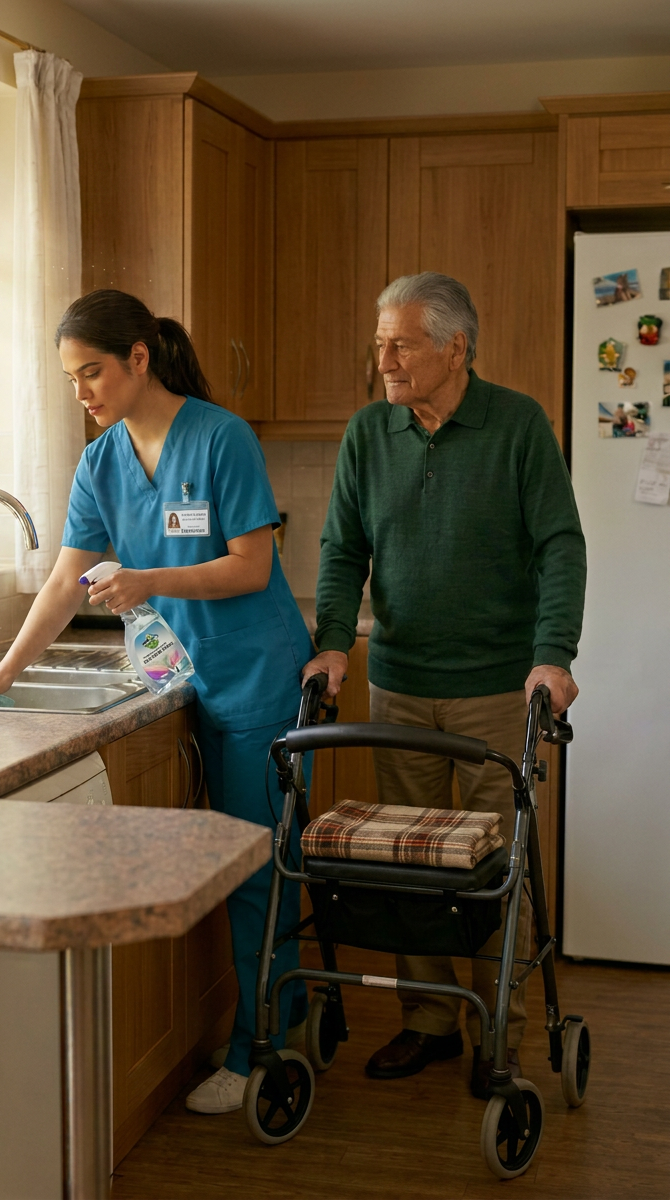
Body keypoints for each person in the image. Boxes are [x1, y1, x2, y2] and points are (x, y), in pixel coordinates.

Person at [0, 289, 313, 1115]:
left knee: (256, 867)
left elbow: (251, 567)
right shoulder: (101, 461)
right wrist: (4, 672)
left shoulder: (221, 439)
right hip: (181, 677)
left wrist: (145, 579)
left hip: (256, 677)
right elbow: (62, 580)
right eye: (71, 379)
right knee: (234, 870)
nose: (82, 392)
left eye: (92, 373)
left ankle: (259, 1046)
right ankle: (286, 1006)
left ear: (138, 359)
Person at [302, 272, 586, 1099]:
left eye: (401, 344)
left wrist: (553, 653)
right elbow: (342, 550)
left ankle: (498, 1032)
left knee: (493, 866)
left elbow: (559, 547)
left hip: (499, 688)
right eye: (379, 342)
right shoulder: (370, 433)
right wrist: (330, 644)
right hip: (398, 683)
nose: (382, 358)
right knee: (412, 866)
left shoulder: (518, 426)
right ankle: (427, 1020)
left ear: (454, 348)